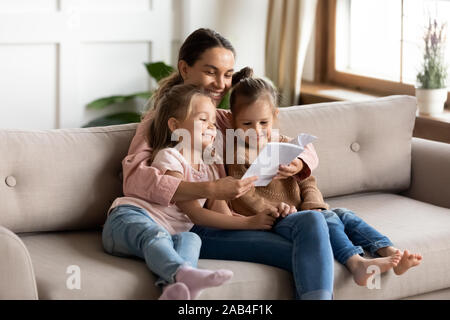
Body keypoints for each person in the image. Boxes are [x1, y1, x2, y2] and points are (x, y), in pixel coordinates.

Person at [118, 28, 335, 300]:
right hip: (198, 225)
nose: (221, 83)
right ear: (184, 69)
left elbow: (297, 143)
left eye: (228, 74)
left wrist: (298, 161)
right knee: (301, 248)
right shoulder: (159, 121)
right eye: (211, 72)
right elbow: (136, 180)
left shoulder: (223, 119)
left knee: (315, 223)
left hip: (232, 218)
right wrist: (211, 189)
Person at [226, 75, 423, 287]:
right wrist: (276, 210)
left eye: (263, 123)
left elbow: (307, 181)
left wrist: (313, 204)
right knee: (326, 219)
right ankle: (356, 263)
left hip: (305, 213)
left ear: (274, 117)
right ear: (232, 121)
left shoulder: (284, 145)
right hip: (277, 220)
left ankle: (390, 251)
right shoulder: (236, 154)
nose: (256, 131)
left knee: (344, 215)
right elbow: (242, 195)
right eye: (247, 124)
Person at [103, 84, 242, 300]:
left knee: (192, 239)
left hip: (169, 234)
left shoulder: (209, 168)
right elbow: (192, 209)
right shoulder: (170, 157)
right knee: (156, 234)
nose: (211, 127)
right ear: (175, 126)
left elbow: (222, 216)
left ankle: (173, 290)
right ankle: (182, 273)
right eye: (203, 120)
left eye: (213, 123)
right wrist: (251, 223)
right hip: (128, 219)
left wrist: (241, 192)